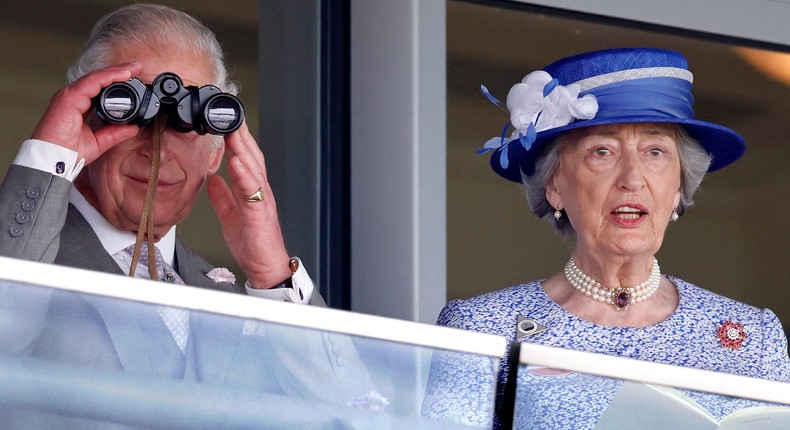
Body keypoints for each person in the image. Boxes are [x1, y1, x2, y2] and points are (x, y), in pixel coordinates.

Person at [0, 4, 377, 427]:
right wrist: (48, 156)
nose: (156, 148)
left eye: (189, 120)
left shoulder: (236, 301)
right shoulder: (27, 256)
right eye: (131, 107)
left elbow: (354, 416)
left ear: (218, 148)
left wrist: (273, 276)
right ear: (83, 116)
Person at [425, 48, 790, 429]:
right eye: (603, 151)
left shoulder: (752, 336)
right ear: (555, 187)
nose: (632, 178)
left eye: (655, 152)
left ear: (679, 186)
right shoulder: (484, 328)